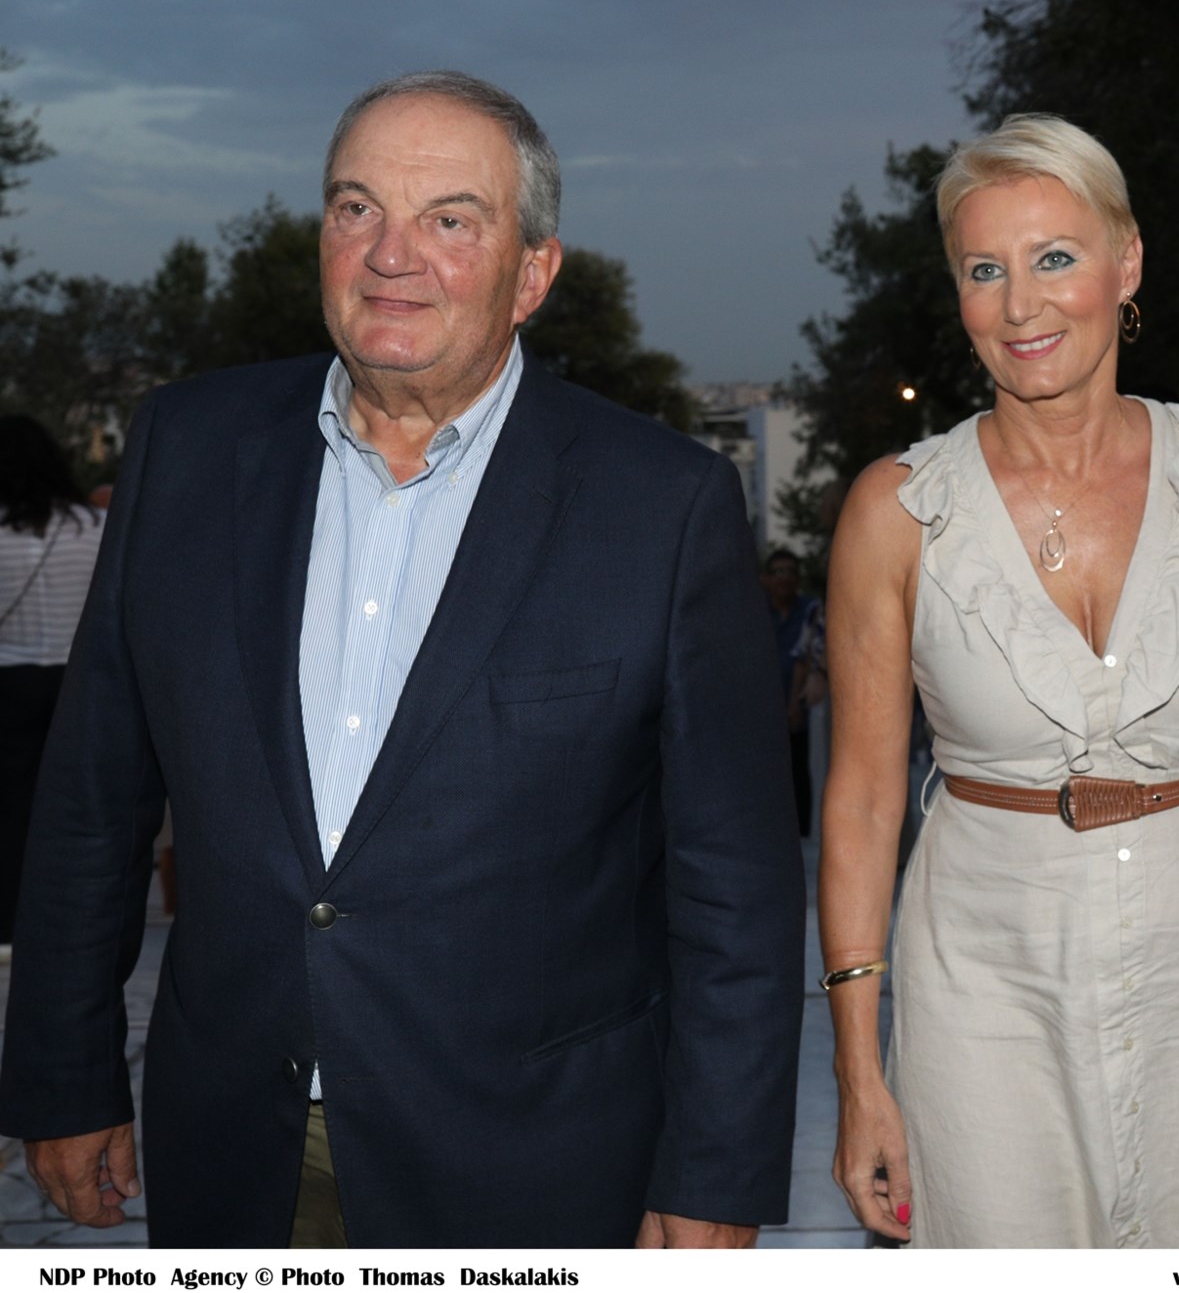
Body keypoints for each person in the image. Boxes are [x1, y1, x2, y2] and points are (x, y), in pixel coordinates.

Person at [0, 71, 804, 1248]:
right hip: (234, 1139)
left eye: (450, 220)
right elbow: (93, 797)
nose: (390, 255)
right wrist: (61, 1072)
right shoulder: (188, 449)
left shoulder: (660, 505)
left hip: (533, 1161)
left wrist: (714, 1175)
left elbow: (733, 882)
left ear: (532, 274)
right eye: (356, 208)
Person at [817, 114, 1179, 1248]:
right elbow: (859, 801)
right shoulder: (895, 512)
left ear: (1125, 264)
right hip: (983, 978)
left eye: (1054, 257)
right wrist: (858, 1072)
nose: (1020, 305)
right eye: (984, 270)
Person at [0, 415, 107, 963]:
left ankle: (7, 923)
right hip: (79, 680)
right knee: (81, 805)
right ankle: (75, 919)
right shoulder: (94, 525)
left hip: (9, 682)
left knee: (10, 807)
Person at [763, 547, 816, 837]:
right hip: (762, 716)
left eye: (790, 572)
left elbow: (810, 656)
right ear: (766, 578)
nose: (784, 578)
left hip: (802, 715)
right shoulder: (753, 612)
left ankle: (803, 834)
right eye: (778, 572)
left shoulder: (810, 612)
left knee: (800, 775)